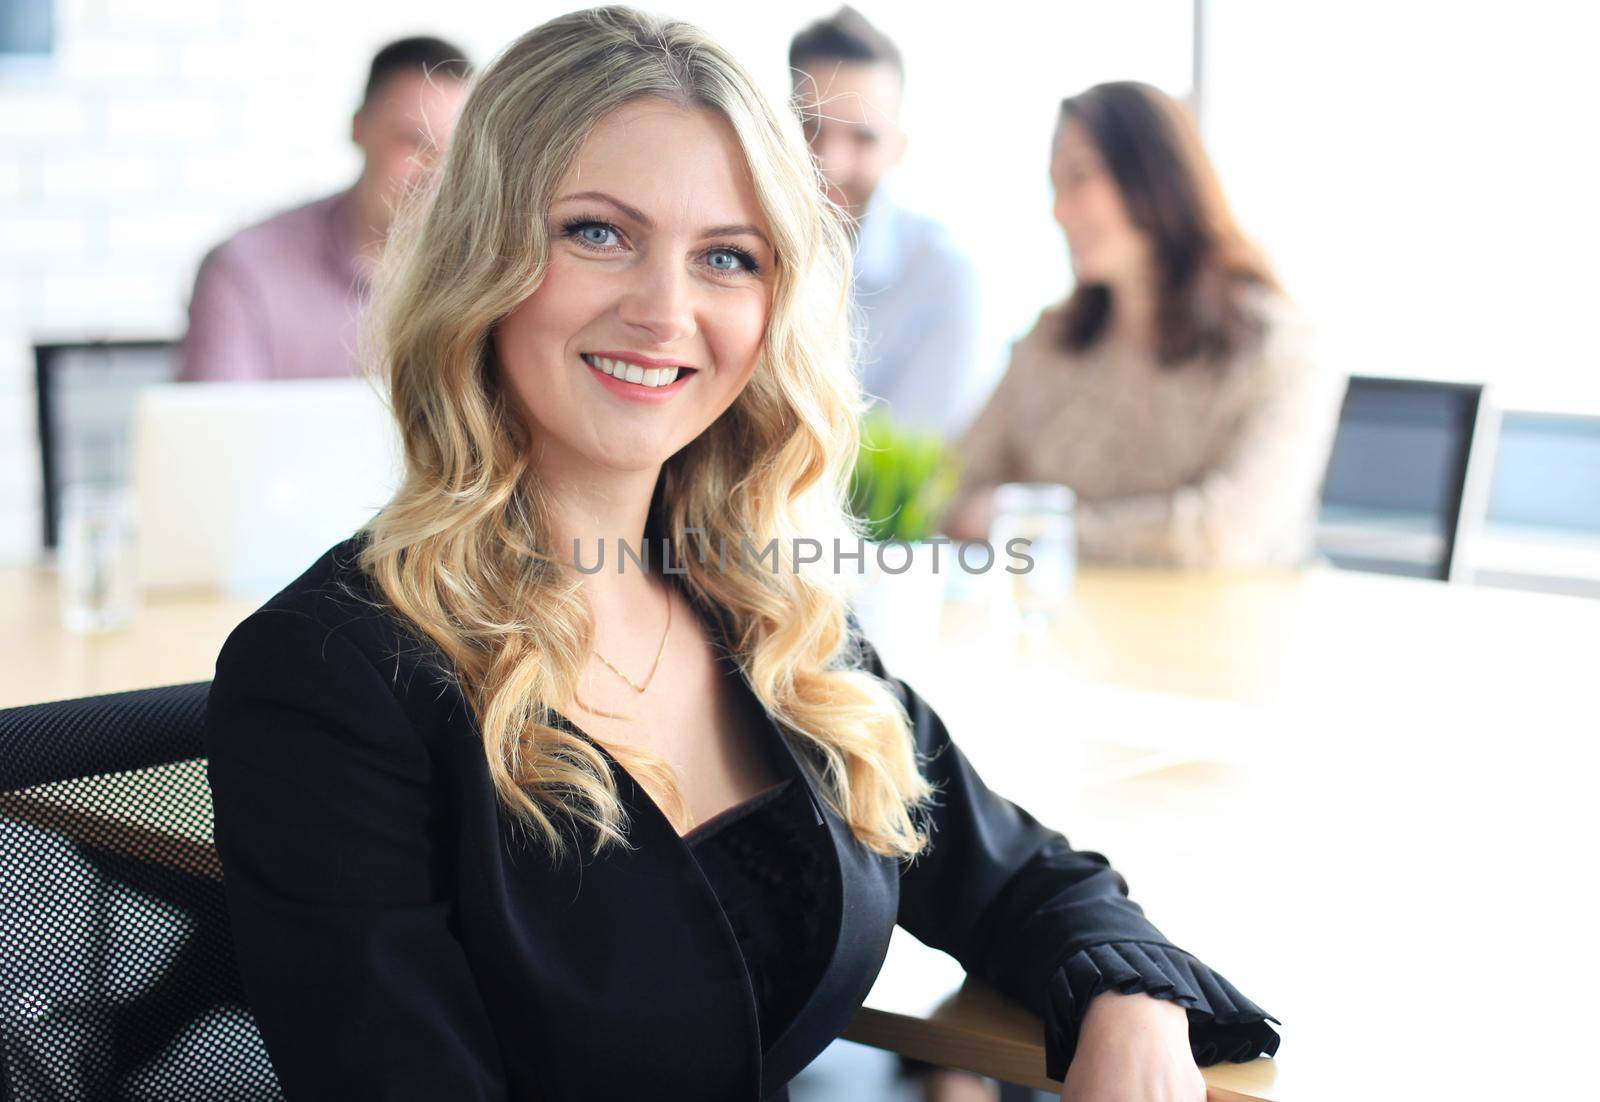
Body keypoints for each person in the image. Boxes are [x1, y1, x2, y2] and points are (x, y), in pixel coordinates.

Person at [202, 10, 1280, 1101]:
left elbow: (1024, 880)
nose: (665, 311)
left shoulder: (760, 609)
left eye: (726, 256)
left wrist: (1129, 1002)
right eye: (595, 232)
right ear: (481, 252)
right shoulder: (329, 676)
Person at [942, 82, 1345, 567]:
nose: (1059, 209)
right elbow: (957, 487)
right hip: (1062, 631)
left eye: (1080, 177)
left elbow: (1223, 534)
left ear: (1155, 178)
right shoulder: (1052, 341)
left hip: (1224, 632)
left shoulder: (1278, 349)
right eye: (1055, 186)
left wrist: (1037, 529)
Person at [178, 36, 471, 382]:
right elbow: (214, 429)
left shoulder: (485, 272)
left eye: (453, 153)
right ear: (359, 128)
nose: (434, 174)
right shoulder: (245, 270)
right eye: (413, 141)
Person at [789, 7, 987, 440]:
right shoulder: (734, 249)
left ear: (898, 148)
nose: (830, 164)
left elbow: (904, 469)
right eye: (811, 128)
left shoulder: (944, 277)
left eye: (863, 138)